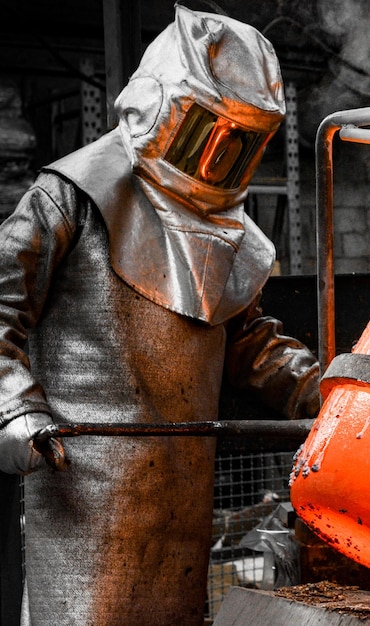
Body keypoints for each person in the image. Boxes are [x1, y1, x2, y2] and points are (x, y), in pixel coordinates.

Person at [0, 6, 320, 625]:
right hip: (83, 510)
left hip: (180, 515)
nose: (218, 157)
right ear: (159, 107)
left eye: (239, 144)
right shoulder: (69, 198)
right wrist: (16, 405)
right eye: (208, 133)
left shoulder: (222, 236)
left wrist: (325, 394)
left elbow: (248, 341)